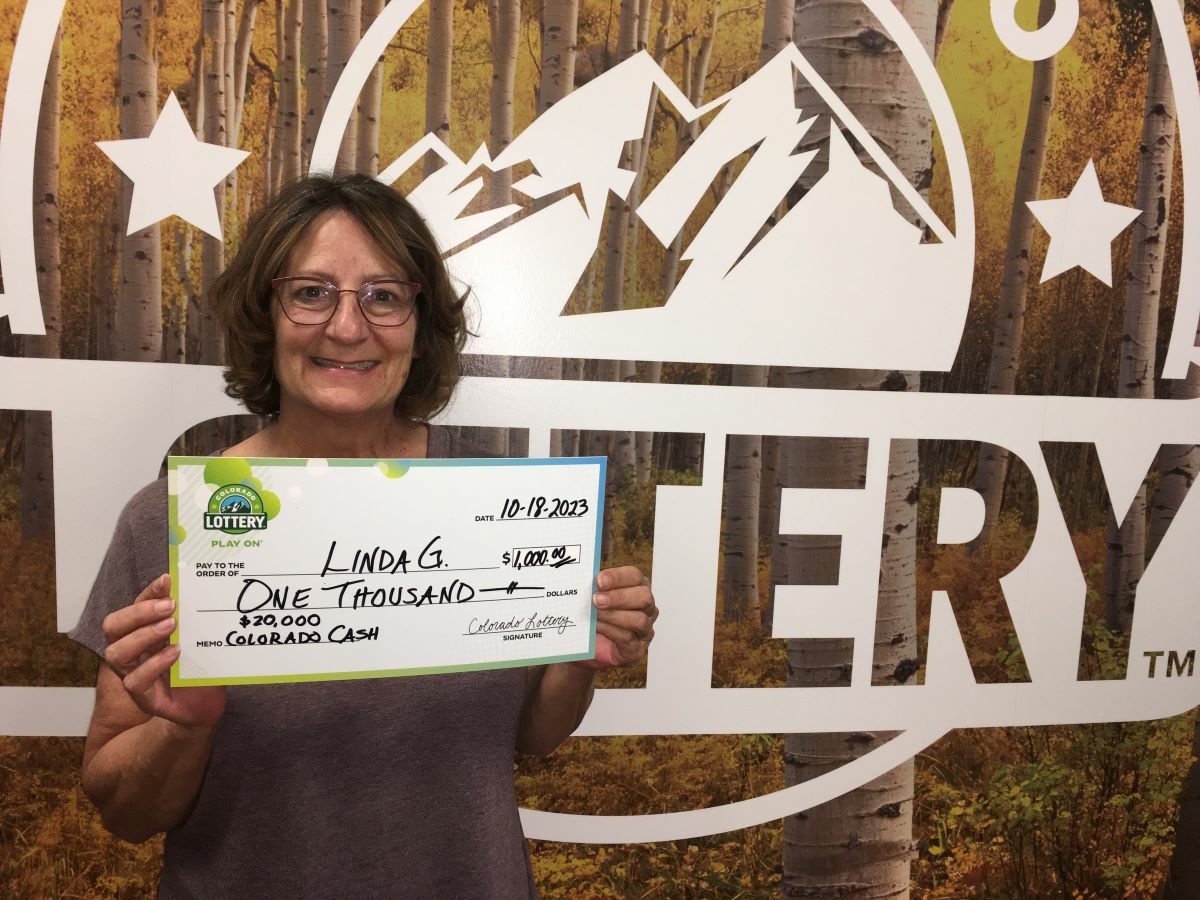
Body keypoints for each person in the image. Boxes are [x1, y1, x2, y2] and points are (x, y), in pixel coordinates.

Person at [70, 173, 658, 897]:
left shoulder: (499, 510)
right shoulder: (168, 521)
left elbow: (533, 737)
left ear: (420, 324)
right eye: (312, 291)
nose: (348, 328)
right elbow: (124, 813)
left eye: (383, 295)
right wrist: (184, 730)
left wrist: (576, 659)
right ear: (267, 312)